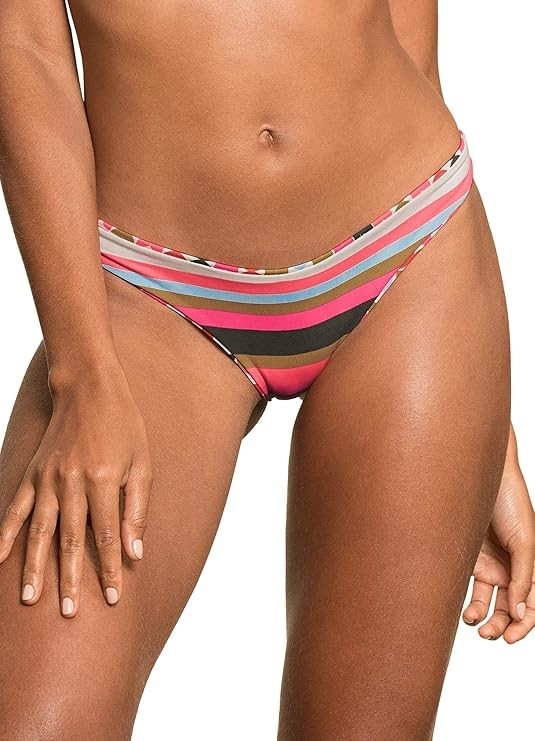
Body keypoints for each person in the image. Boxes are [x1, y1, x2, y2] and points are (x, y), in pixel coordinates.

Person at [0, 2, 532, 739]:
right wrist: (82, 374)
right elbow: (24, 50)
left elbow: (406, 35)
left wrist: (483, 430)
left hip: (410, 244)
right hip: (148, 290)